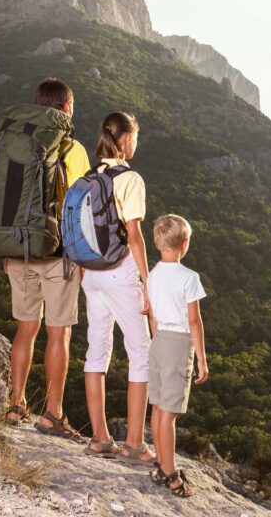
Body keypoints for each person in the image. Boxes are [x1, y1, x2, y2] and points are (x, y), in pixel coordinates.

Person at [3, 78, 90, 443]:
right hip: (59, 253)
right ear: (67, 107)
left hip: (19, 248)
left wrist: (6, 250)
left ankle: (15, 403)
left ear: (37, 104)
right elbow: (81, 207)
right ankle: (52, 413)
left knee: (26, 328)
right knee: (60, 332)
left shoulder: (12, 141)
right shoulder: (72, 147)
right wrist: (82, 256)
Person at [80, 112, 156, 465]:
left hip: (90, 272)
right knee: (140, 353)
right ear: (126, 140)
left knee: (97, 350)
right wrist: (147, 282)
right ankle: (135, 443)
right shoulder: (130, 179)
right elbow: (136, 237)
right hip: (120, 270)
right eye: (136, 137)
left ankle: (99, 437)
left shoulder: (88, 176)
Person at [147, 214, 209, 498]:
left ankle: (161, 464)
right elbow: (194, 321)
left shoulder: (152, 274)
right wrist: (201, 360)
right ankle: (171, 474)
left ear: (158, 242)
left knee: (158, 408)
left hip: (158, 341)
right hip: (179, 343)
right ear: (184, 244)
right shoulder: (189, 278)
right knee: (169, 414)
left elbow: (152, 314)